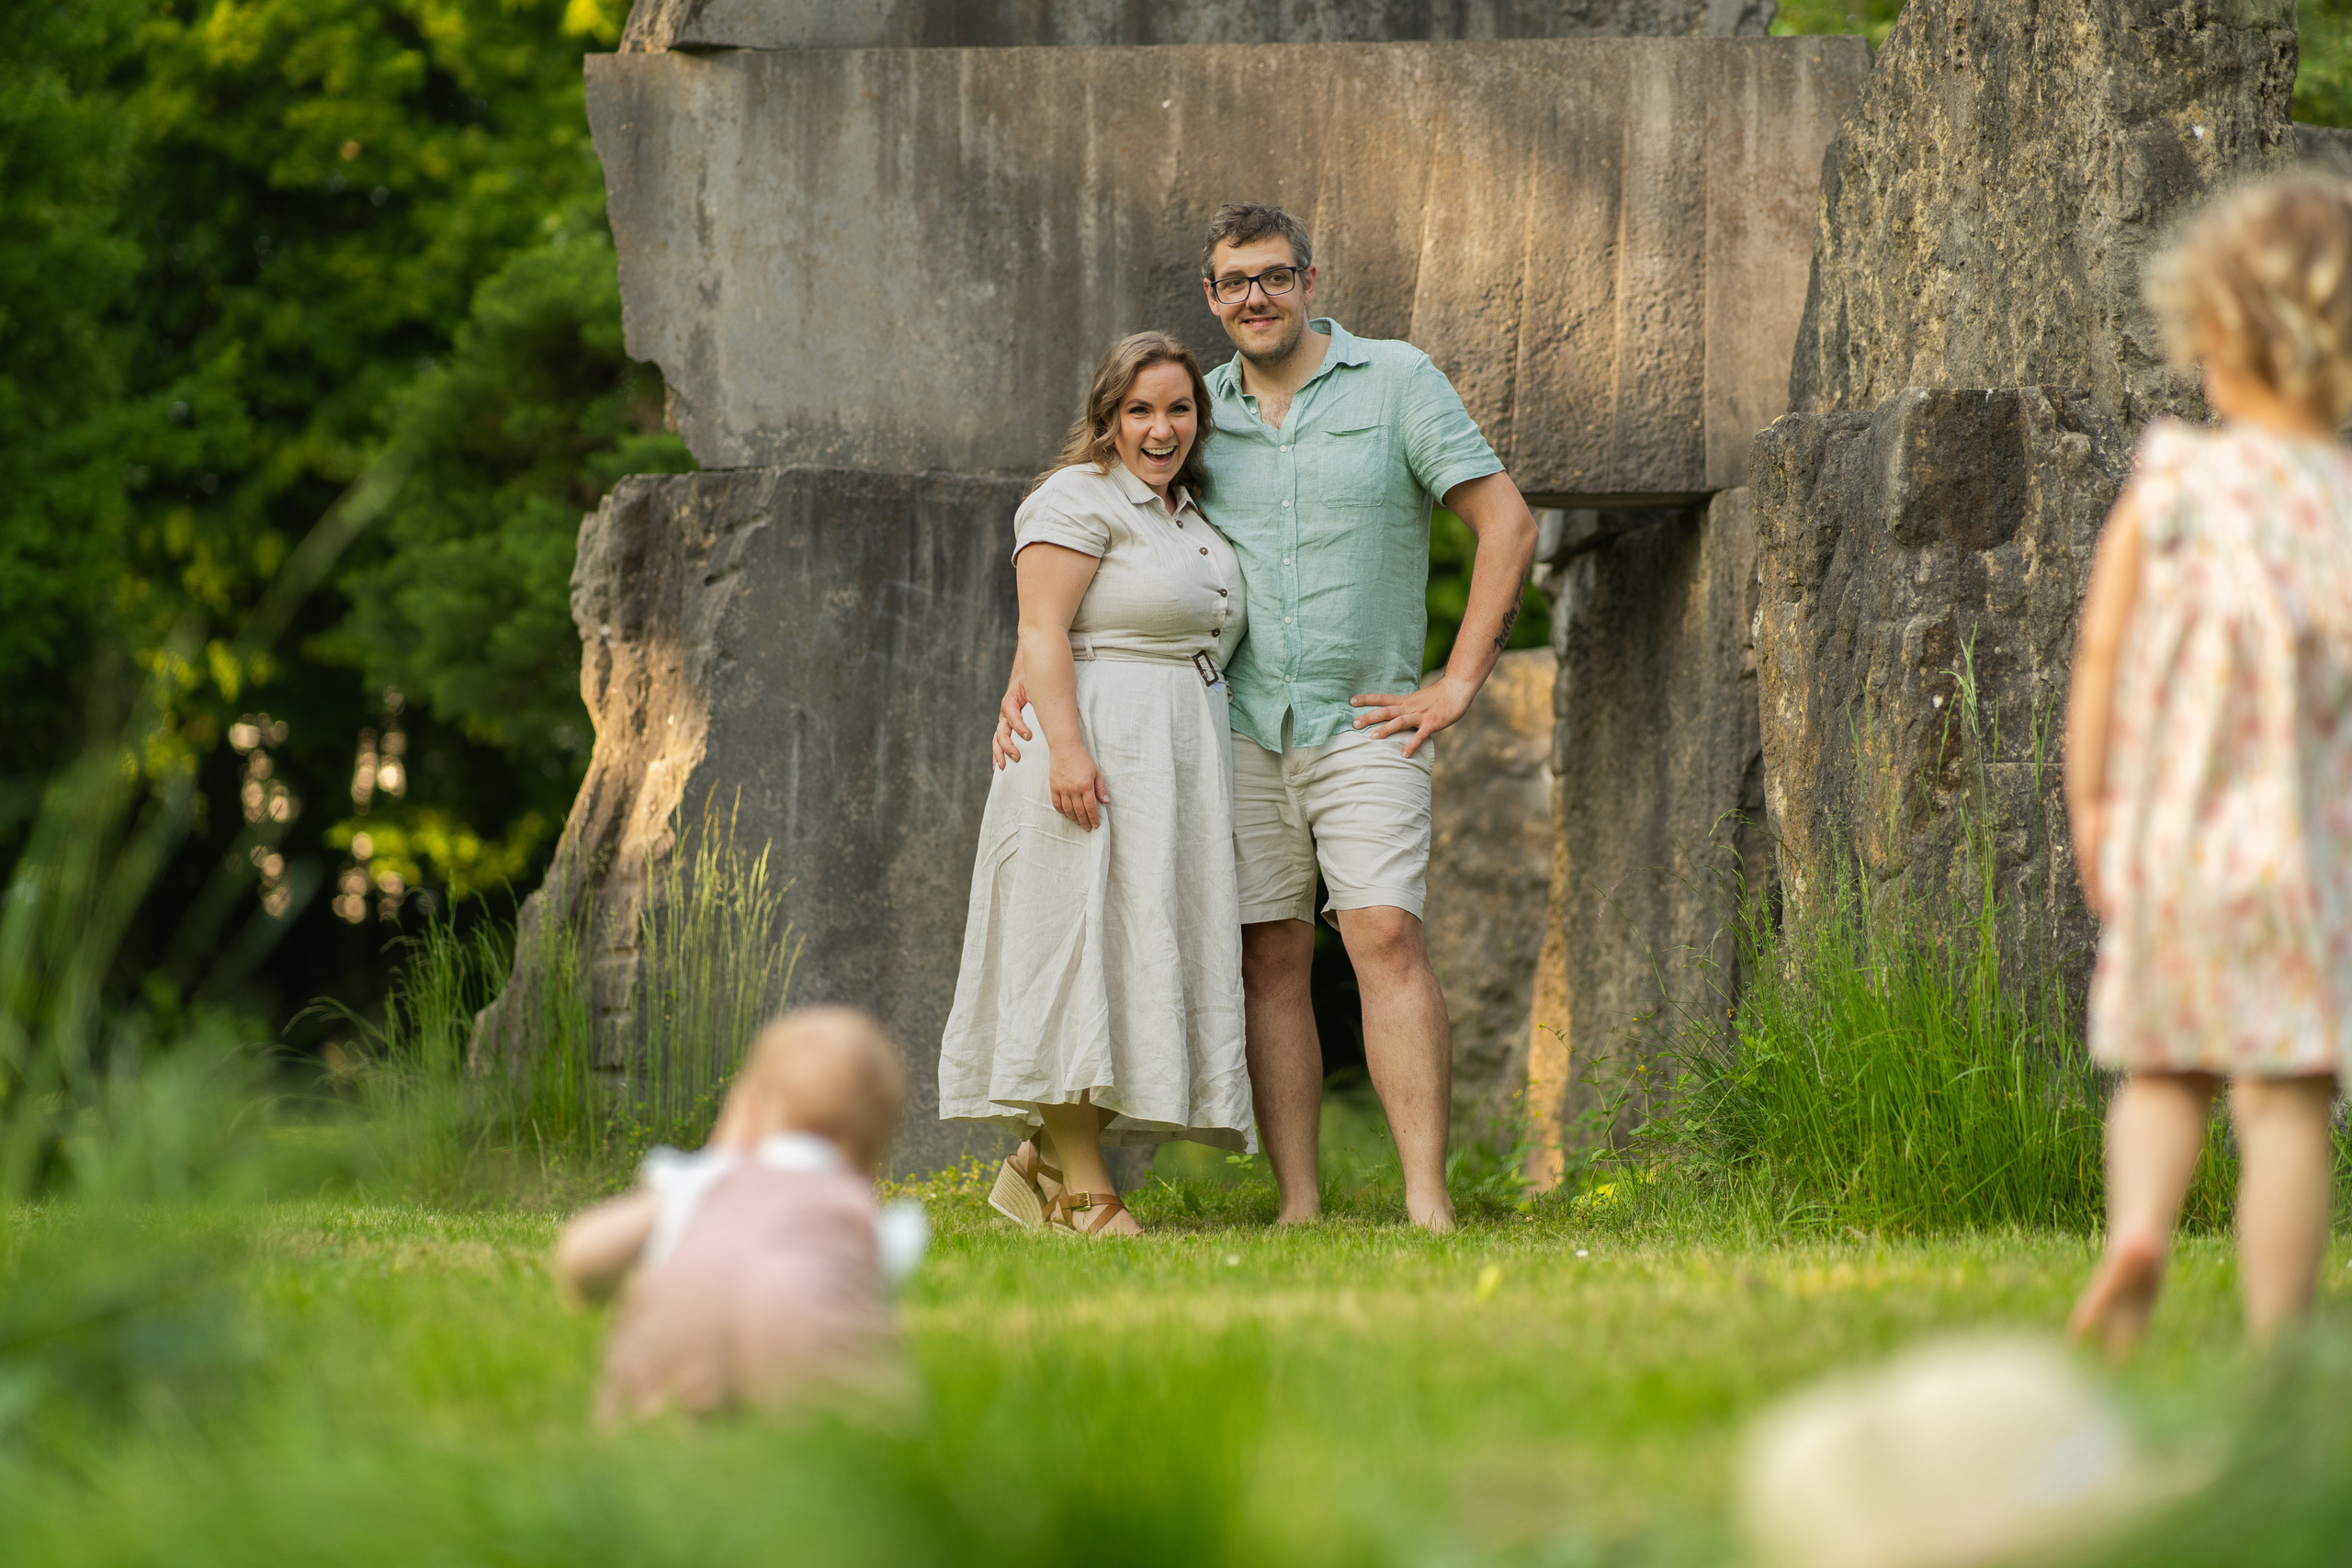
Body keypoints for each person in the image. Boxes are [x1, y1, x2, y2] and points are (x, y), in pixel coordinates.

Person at [996, 204, 1538, 1232]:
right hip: (1235, 728)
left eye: (1275, 276)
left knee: (1385, 935)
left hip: (1368, 721)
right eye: (1236, 281)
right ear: (1211, 296)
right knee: (1267, 957)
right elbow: (1103, 553)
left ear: (1308, 281)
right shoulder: (1192, 412)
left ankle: (1428, 1202)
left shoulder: (1397, 382)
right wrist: (1029, 671)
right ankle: (1298, 1206)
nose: (1257, 296)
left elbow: (1505, 524)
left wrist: (1457, 682)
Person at [2065, 175, 2352, 1357]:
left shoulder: (2173, 481)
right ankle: (2280, 1341)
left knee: (2161, 1071)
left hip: (2172, 840)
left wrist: (2094, 805)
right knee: (2283, 1104)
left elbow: (2100, 653)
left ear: (2216, 333)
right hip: (2299, 861)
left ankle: (2139, 1230)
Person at [938, 331, 1255, 1238]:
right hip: (1095, 748)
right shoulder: (1074, 497)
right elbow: (1042, 628)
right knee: (1077, 951)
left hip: (1171, 754)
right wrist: (1068, 751)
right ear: (1108, 418)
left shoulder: (1187, 514)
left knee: (1129, 955)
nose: (1161, 428)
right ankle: (1082, 1191)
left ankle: (1039, 1159)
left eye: (1179, 408)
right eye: (1139, 410)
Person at [553, 1007, 926, 1421]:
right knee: (878, 1409)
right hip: (808, 1377)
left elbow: (585, 1257)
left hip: (667, 1378)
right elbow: (873, 1286)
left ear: (748, 1110)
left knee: (656, 1417)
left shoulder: (705, 1181)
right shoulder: (857, 1213)